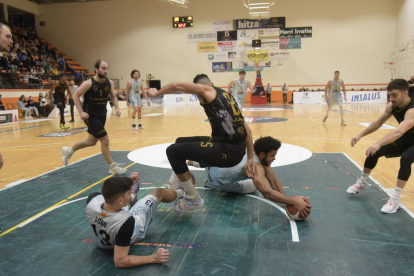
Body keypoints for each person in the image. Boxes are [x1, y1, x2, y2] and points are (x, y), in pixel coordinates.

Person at [148, 74, 255, 212]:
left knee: (172, 151)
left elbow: (176, 85)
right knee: (179, 142)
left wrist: (156, 94)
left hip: (227, 151)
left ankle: (193, 198)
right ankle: (173, 184)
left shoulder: (204, 91)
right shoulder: (227, 96)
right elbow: (248, 130)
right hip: (233, 146)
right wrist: (250, 157)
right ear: (212, 83)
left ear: (199, 90)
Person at [188, 136, 312, 217]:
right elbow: (267, 192)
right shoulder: (256, 167)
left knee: (216, 156)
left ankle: (188, 163)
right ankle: (210, 184)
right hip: (216, 182)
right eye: (272, 155)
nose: (274, 158)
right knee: (254, 186)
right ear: (262, 154)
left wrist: (287, 202)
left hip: (212, 164)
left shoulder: (250, 148)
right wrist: (293, 201)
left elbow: (273, 180)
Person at [86, 172, 183, 268]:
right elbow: (120, 261)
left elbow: (110, 194)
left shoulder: (92, 199)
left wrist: (123, 187)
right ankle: (183, 193)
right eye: (128, 194)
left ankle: (132, 196)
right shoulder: (127, 222)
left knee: (114, 204)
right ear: (120, 200)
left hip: (100, 240)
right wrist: (154, 258)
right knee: (158, 192)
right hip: (132, 229)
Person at [347, 79, 414, 214]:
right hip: (407, 137)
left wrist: (378, 143)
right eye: (389, 95)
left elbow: (399, 131)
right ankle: (363, 182)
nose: (391, 98)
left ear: (405, 93)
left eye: (394, 95)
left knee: (406, 157)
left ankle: (395, 199)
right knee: (373, 152)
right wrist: (360, 135)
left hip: (407, 136)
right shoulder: (392, 105)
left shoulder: (412, 110)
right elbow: (378, 123)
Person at [62, 60, 127, 175]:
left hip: (102, 115)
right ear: (96, 69)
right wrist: (81, 112)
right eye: (103, 68)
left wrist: (117, 108)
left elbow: (112, 96)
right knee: (105, 140)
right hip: (90, 116)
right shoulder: (89, 83)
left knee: (91, 141)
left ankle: (69, 151)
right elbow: (75, 95)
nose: (105, 71)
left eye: (107, 68)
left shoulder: (109, 83)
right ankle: (112, 166)